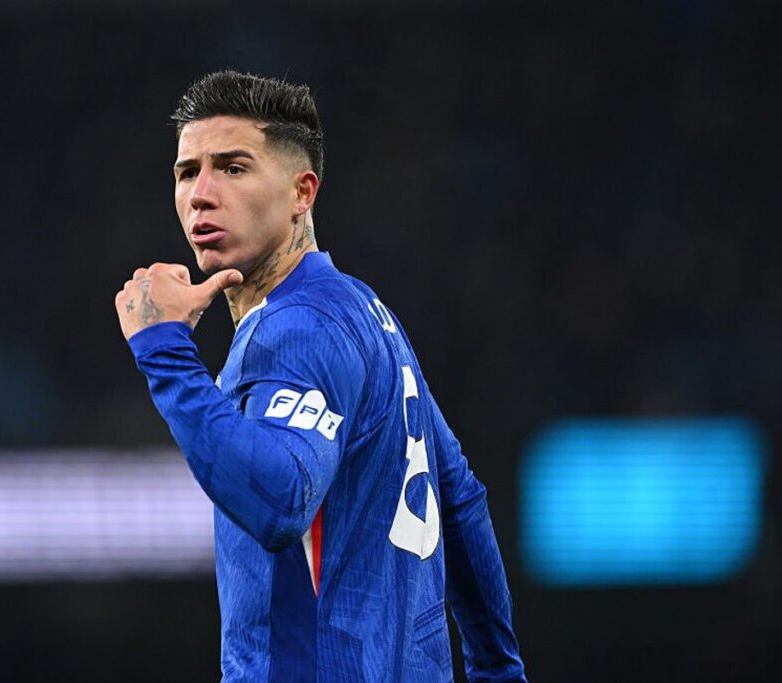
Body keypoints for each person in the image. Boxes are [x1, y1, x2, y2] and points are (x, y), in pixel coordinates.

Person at [115, 70, 526, 683]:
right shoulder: (365, 313)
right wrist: (499, 672)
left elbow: (279, 501)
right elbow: (459, 500)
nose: (200, 194)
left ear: (301, 192)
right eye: (186, 172)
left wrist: (164, 351)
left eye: (232, 168)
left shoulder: (296, 328)